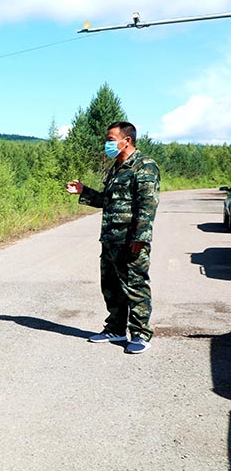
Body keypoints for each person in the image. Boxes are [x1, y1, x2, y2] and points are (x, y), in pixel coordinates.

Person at [66, 121, 160, 355]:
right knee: (111, 286)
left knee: (135, 286)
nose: (106, 144)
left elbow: (146, 206)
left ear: (126, 140)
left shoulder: (144, 166)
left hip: (131, 240)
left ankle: (140, 334)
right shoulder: (116, 168)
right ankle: (115, 329)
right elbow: (108, 202)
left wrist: (140, 237)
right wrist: (83, 192)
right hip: (110, 239)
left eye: (110, 139)